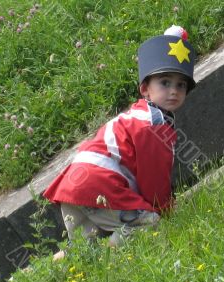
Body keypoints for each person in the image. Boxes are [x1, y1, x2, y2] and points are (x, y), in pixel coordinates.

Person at [43, 25, 196, 258]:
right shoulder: (154, 124)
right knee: (148, 222)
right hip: (97, 186)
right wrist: (165, 213)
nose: (174, 91)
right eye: (165, 83)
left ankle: (54, 271)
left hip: (75, 184)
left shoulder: (137, 113)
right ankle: (111, 261)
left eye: (181, 85)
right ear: (145, 89)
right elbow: (154, 181)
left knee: (84, 249)